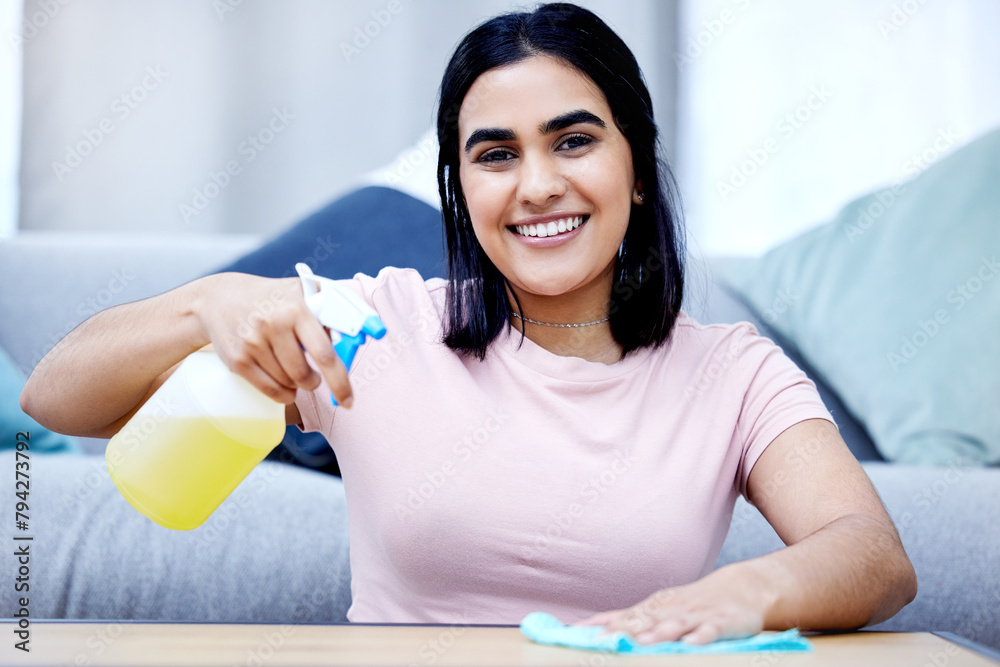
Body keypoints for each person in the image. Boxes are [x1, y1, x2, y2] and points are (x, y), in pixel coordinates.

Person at [21, 2, 916, 645]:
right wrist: (204, 299)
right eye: (495, 155)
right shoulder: (376, 328)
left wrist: (748, 592)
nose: (536, 186)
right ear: (462, 191)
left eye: (574, 141)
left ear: (636, 167)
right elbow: (56, 398)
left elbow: (873, 555)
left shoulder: (734, 372)